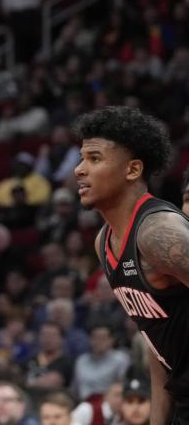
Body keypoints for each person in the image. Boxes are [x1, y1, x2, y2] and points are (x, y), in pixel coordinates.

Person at [74, 106, 189, 423]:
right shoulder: (104, 242)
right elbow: (157, 340)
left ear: (133, 169)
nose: (79, 169)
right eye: (82, 158)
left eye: (94, 159)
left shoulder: (158, 233)